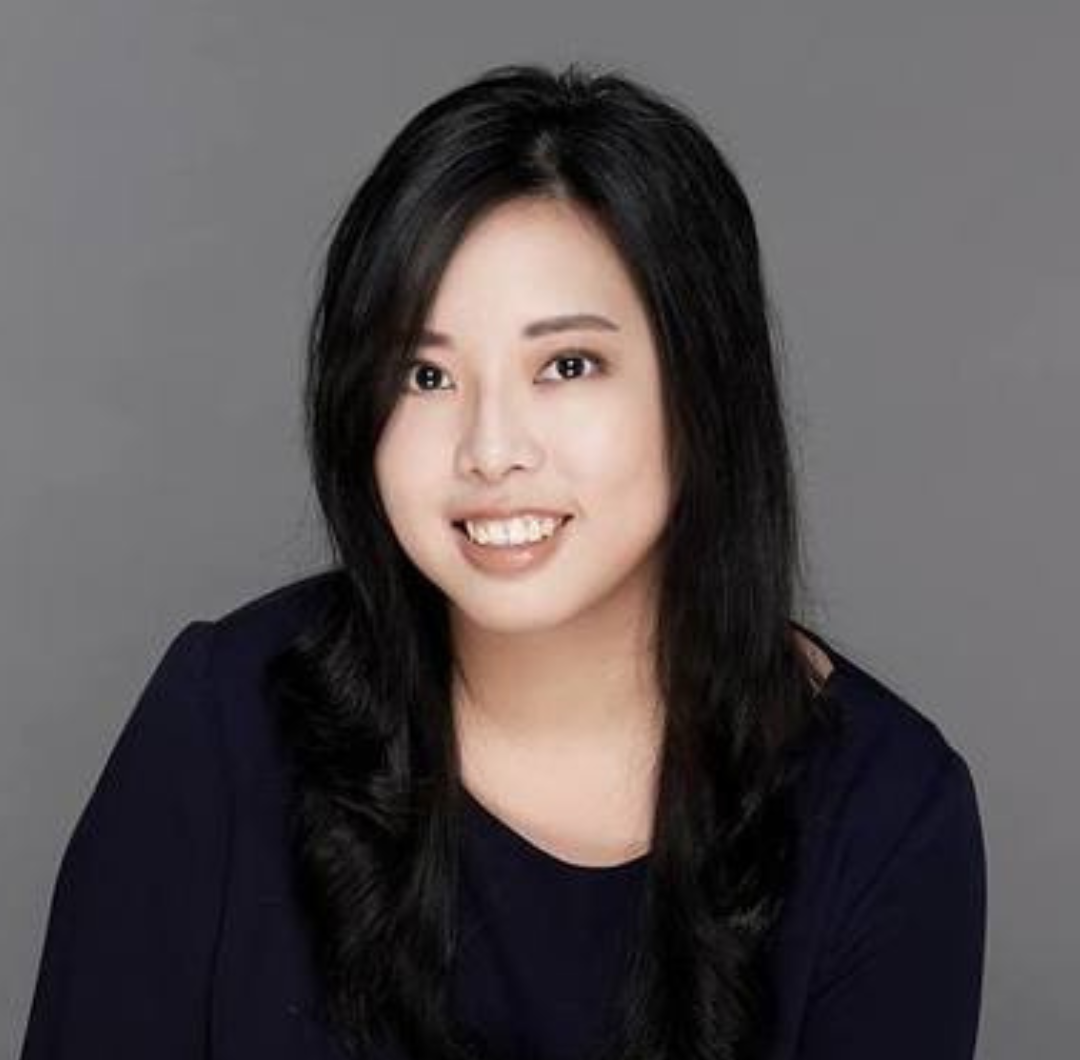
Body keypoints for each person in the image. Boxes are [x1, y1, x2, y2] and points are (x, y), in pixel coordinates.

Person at [19, 62, 987, 1060]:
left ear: (704, 388)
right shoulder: (222, 718)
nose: (489, 450)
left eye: (566, 366)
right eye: (425, 374)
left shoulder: (886, 810)